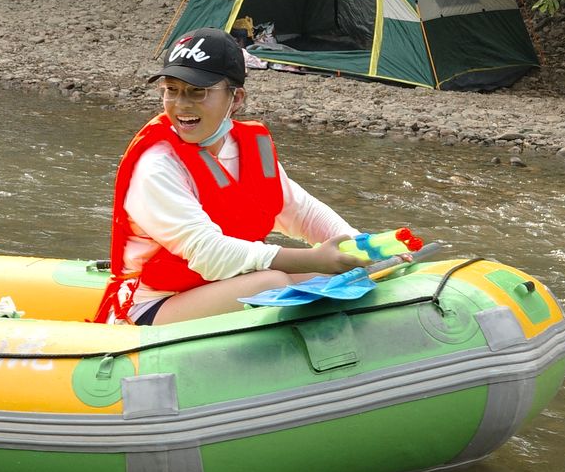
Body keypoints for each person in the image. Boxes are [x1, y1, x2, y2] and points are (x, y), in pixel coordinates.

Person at [96, 28, 368, 326]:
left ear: (236, 98)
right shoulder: (157, 165)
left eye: (198, 91)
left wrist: (360, 248)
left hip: (219, 286)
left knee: (334, 276)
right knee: (270, 283)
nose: (182, 105)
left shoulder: (251, 149)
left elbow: (302, 214)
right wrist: (310, 259)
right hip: (149, 305)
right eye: (171, 90)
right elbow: (208, 253)